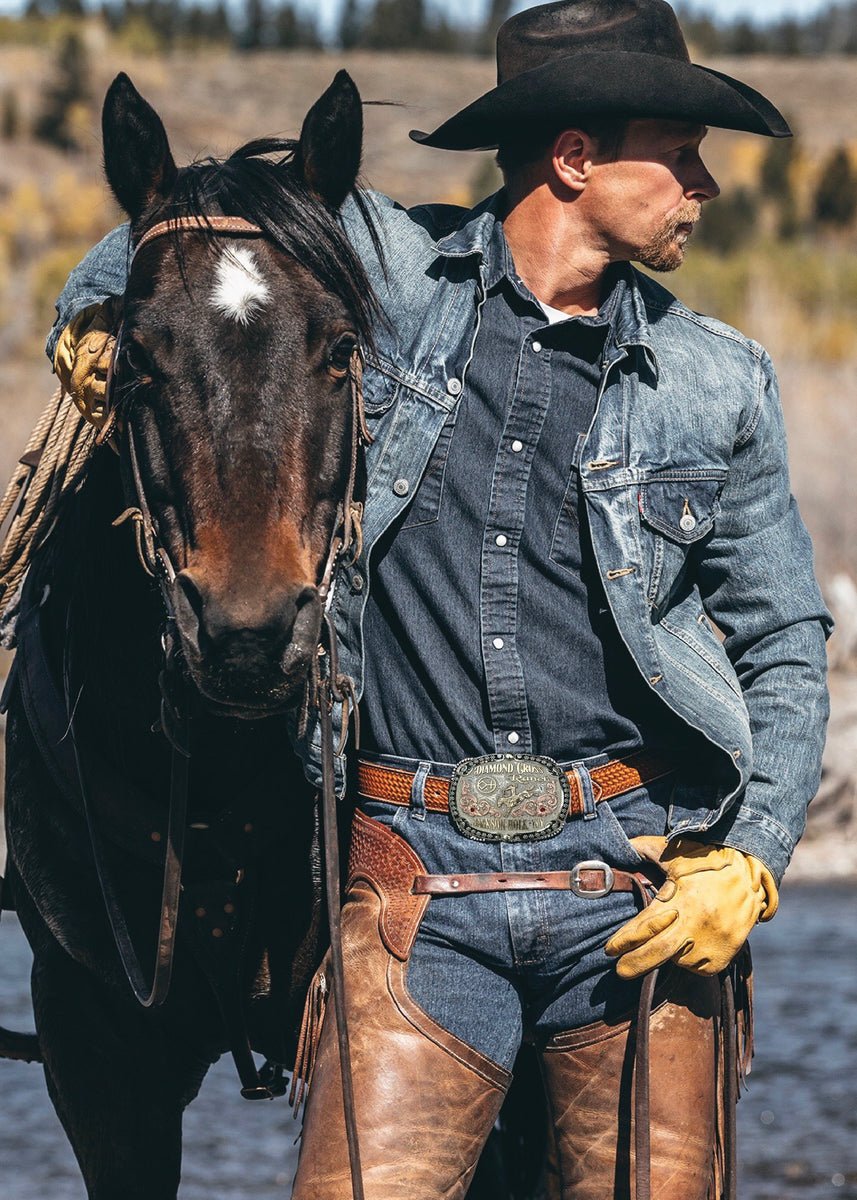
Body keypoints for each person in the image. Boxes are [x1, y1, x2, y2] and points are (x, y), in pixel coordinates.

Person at [48, 1, 831, 1196]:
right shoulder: (398, 283)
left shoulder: (717, 379)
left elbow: (781, 639)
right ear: (572, 158)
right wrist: (90, 308)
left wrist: (755, 855)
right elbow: (192, 240)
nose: (703, 184)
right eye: (676, 152)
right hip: (413, 888)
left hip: (632, 882)